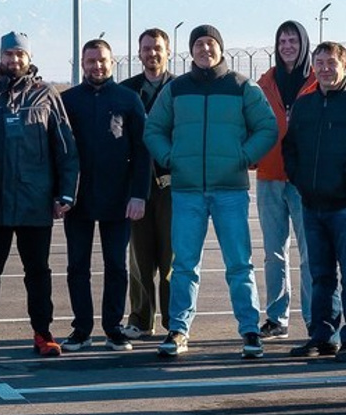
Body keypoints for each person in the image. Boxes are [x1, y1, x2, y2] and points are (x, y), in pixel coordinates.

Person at [144, 25, 277, 360]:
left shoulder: (241, 86)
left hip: (230, 191)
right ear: (192, 50)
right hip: (187, 191)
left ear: (221, 48)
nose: (205, 49)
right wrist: (170, 158)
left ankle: (249, 329)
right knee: (185, 264)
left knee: (239, 264)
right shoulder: (176, 89)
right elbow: (154, 129)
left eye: (211, 43)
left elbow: (267, 127)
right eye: (199, 44)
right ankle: (178, 330)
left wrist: (245, 156)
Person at [0, 31, 79, 359]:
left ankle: (43, 333)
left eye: (19, 55)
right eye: (8, 54)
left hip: (35, 203)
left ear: (28, 58)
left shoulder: (46, 96)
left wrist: (65, 194)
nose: (14, 60)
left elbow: (65, 149)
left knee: (38, 271)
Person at [283, 41, 346, 364]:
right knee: (320, 274)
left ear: (344, 66)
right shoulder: (305, 104)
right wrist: (301, 179)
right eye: (320, 62)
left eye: (331, 62)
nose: (325, 68)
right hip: (313, 206)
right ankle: (322, 335)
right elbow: (291, 148)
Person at [61, 39, 150, 351]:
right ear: (82, 64)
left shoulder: (128, 99)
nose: (97, 66)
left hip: (119, 198)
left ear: (112, 63)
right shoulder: (68, 101)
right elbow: (59, 152)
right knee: (77, 267)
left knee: (116, 265)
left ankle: (113, 328)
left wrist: (139, 194)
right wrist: (60, 195)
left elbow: (142, 152)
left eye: (102, 60)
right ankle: (81, 329)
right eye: (91, 61)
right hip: (78, 200)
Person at [254, 21, 319, 341]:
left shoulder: (317, 79)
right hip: (269, 177)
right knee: (273, 252)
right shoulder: (265, 82)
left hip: (305, 181)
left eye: (293, 40)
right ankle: (276, 318)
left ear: (303, 43)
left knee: (310, 253)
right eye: (282, 41)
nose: (288, 46)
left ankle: (313, 316)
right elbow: (249, 122)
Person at [120, 28, 174, 341]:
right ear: (139, 54)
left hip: (172, 186)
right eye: (146, 49)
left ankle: (173, 321)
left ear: (167, 52)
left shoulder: (180, 89)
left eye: (157, 48)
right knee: (139, 259)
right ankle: (141, 319)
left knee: (171, 257)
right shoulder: (127, 91)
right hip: (137, 188)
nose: (152, 53)